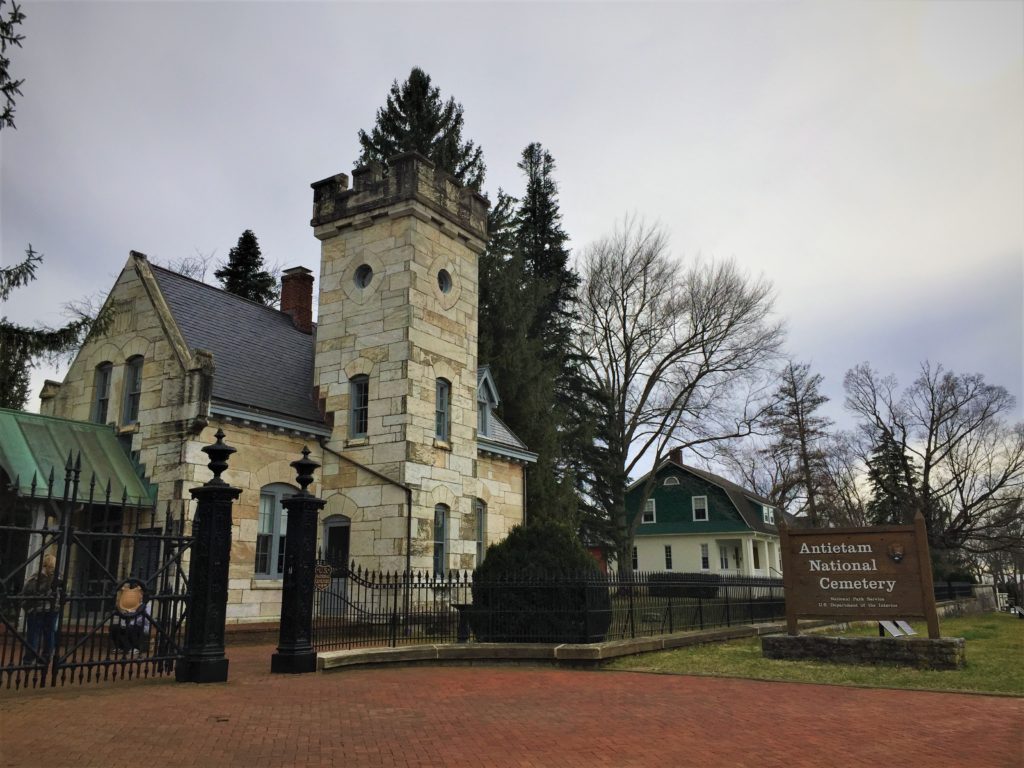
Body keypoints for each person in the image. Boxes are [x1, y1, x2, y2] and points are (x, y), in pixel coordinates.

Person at [20, 554, 59, 664]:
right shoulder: (42, 577)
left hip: (44, 609)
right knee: (45, 634)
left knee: (37, 634)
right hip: (45, 609)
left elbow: (27, 590)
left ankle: (33, 658)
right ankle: (41, 658)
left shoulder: (42, 576)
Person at [111, 580, 151, 657]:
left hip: (140, 626)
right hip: (128, 623)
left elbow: (146, 618)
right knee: (114, 628)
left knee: (132, 628)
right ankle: (121, 647)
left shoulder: (147, 603)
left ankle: (132, 648)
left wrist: (133, 618)